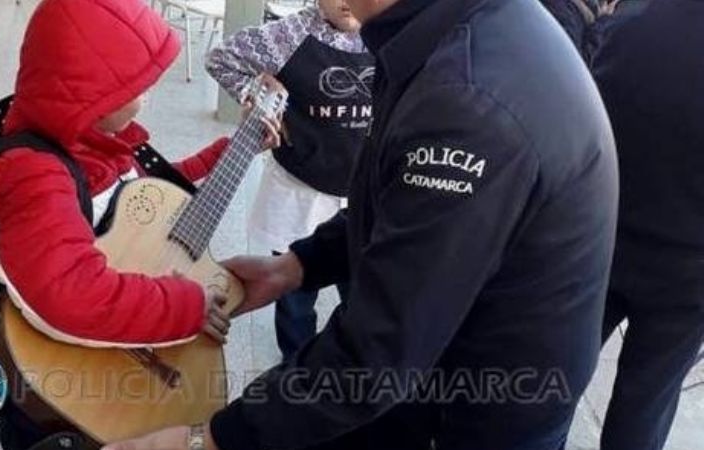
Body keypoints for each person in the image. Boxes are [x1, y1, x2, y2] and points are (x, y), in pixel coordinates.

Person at [106, 0, 618, 449]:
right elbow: (400, 204)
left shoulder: (465, 100)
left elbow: (376, 358)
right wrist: (297, 265)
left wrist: (210, 438)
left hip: (479, 403)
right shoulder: (441, 30)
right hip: (437, 351)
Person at [0, 0, 278, 448]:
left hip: (106, 350)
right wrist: (186, 306)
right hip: (59, 399)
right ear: (90, 97)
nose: (147, 99)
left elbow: (143, 197)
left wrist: (226, 154)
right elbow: (72, 295)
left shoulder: (90, 141)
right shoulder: (34, 174)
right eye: (135, 89)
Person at [205, 0, 372, 360]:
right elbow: (221, 58)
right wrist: (260, 97)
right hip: (301, 186)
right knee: (295, 295)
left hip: (361, 188)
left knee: (361, 285)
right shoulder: (289, 34)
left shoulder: (385, 33)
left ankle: (353, 364)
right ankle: (295, 364)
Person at [593, 1, 704, 448]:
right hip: (689, 274)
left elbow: (593, 114)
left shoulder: (640, 21)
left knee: (549, 376)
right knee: (646, 403)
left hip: (606, 238)